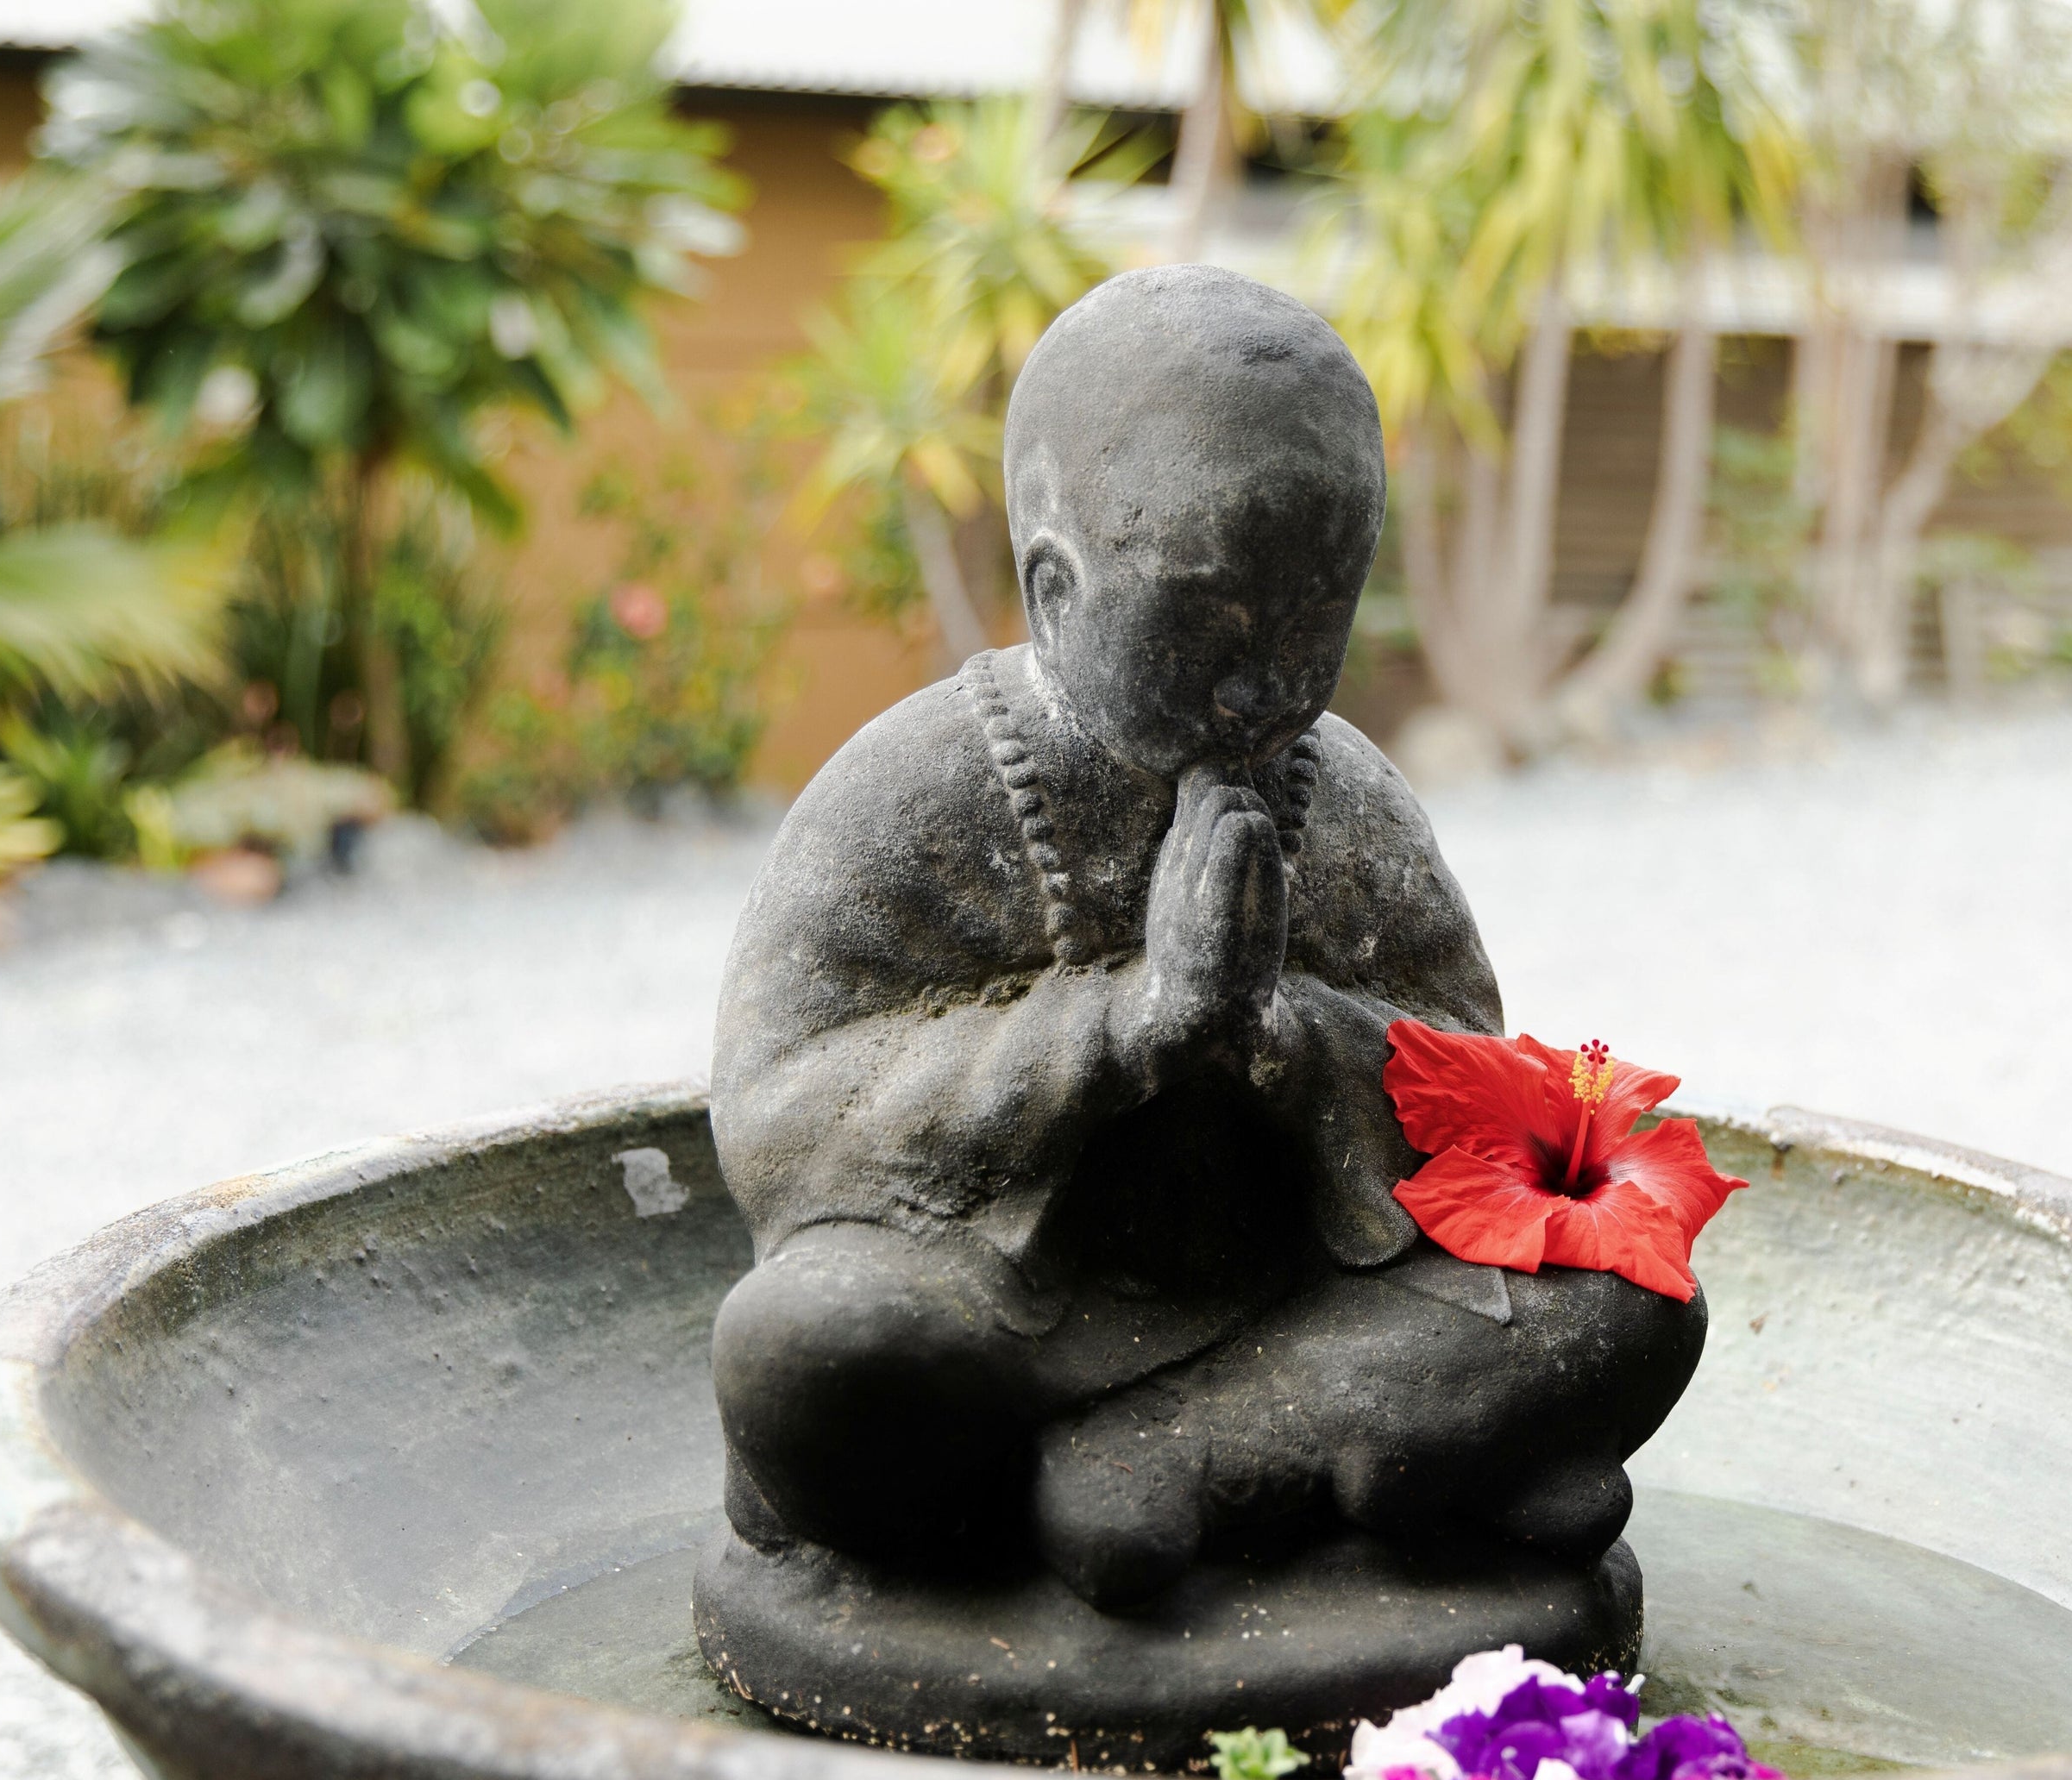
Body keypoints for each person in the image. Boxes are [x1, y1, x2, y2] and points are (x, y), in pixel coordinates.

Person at [706, 266, 1703, 1611]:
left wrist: (1289, 1038)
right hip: (1004, 1325)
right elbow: (777, 1121)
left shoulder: (1342, 797)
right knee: (807, 1350)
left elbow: (1483, 1090)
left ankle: (1204, 1457)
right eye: (1204, 625)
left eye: (1314, 627)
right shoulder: (915, 796)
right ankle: (1391, 1469)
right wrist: (1129, 1027)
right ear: (1054, 592)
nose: (1264, 683)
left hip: (1303, 1313)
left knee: (1631, 1259)